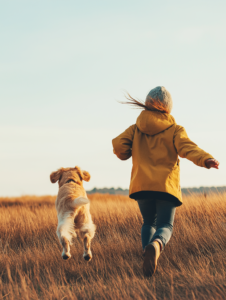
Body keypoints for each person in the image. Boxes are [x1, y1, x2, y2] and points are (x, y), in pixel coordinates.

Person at [112, 86, 219, 277]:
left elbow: (119, 145)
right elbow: (187, 148)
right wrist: (205, 159)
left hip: (142, 186)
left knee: (148, 222)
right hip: (165, 187)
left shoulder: (135, 129)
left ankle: (147, 256)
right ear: (168, 108)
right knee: (165, 226)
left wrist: (127, 151)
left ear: (146, 104)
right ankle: (156, 245)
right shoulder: (175, 129)